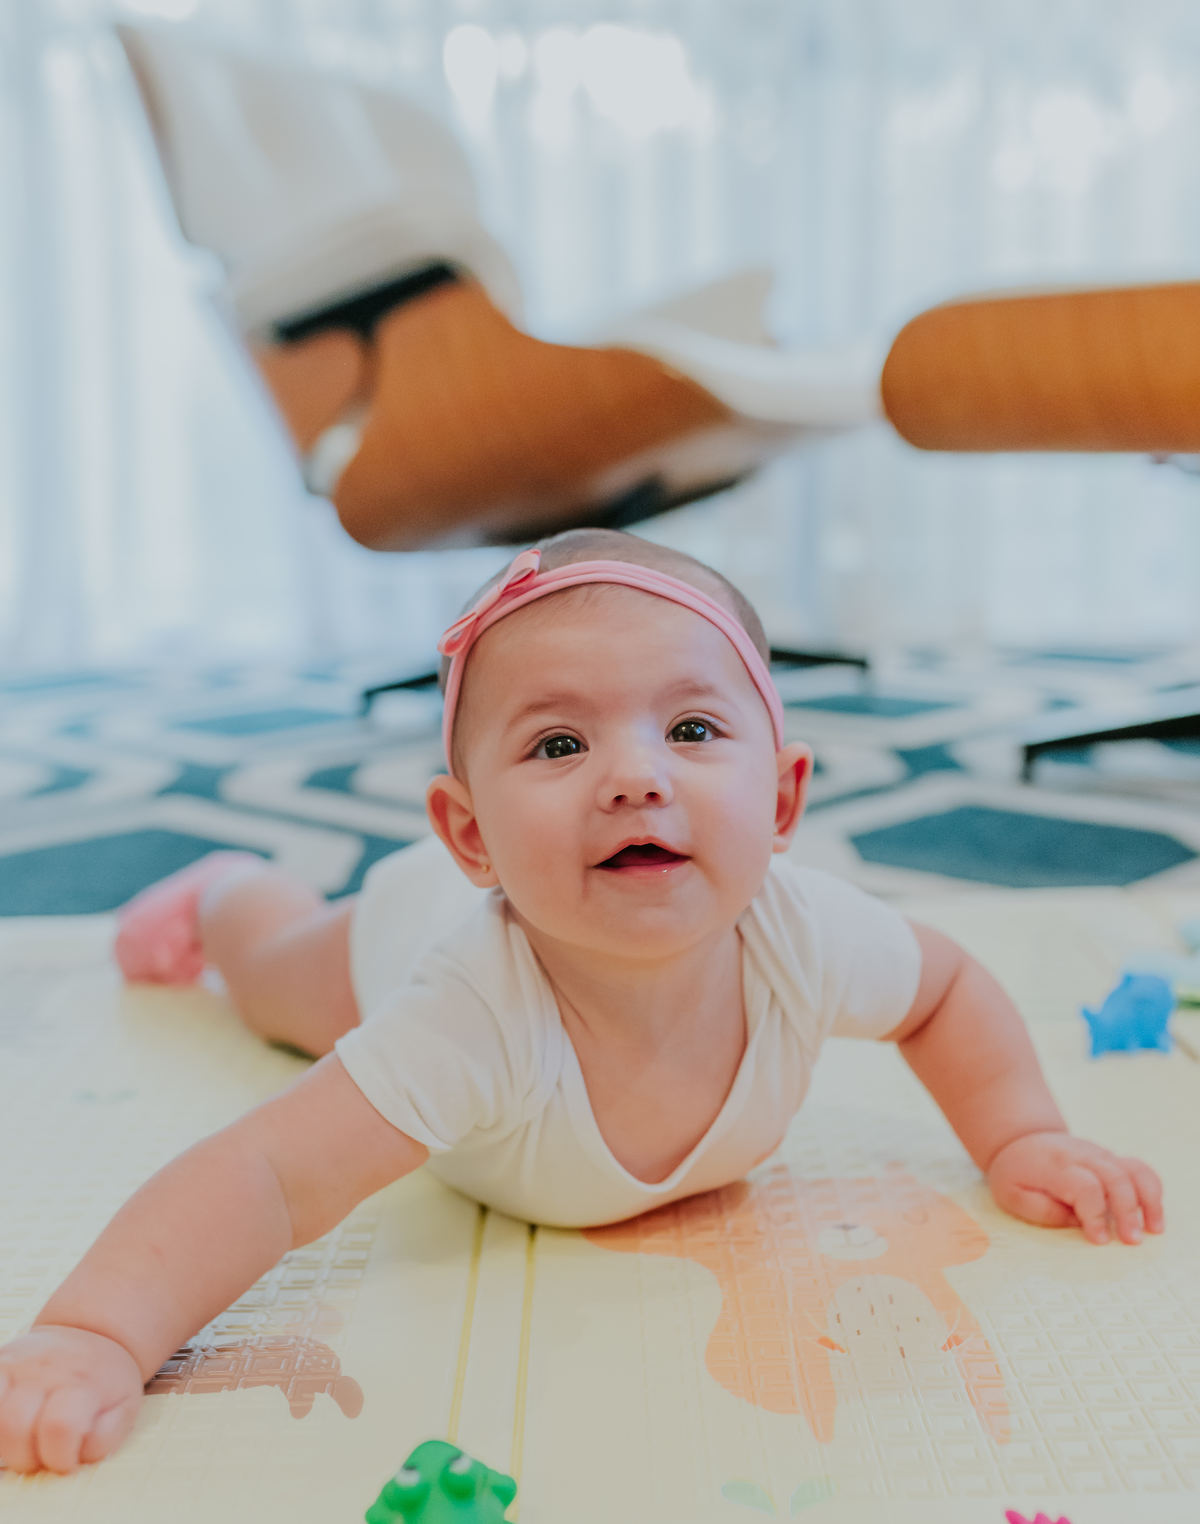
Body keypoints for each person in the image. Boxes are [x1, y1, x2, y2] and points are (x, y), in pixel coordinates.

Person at [0, 530, 1163, 1476]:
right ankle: (224, 891)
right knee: (271, 981)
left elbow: (944, 990)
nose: (635, 775)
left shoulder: (805, 932)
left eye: (694, 729)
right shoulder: (470, 1012)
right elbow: (264, 1176)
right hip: (386, 943)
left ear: (783, 798)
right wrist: (97, 1332)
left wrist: (1022, 1133)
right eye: (559, 743)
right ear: (470, 833)